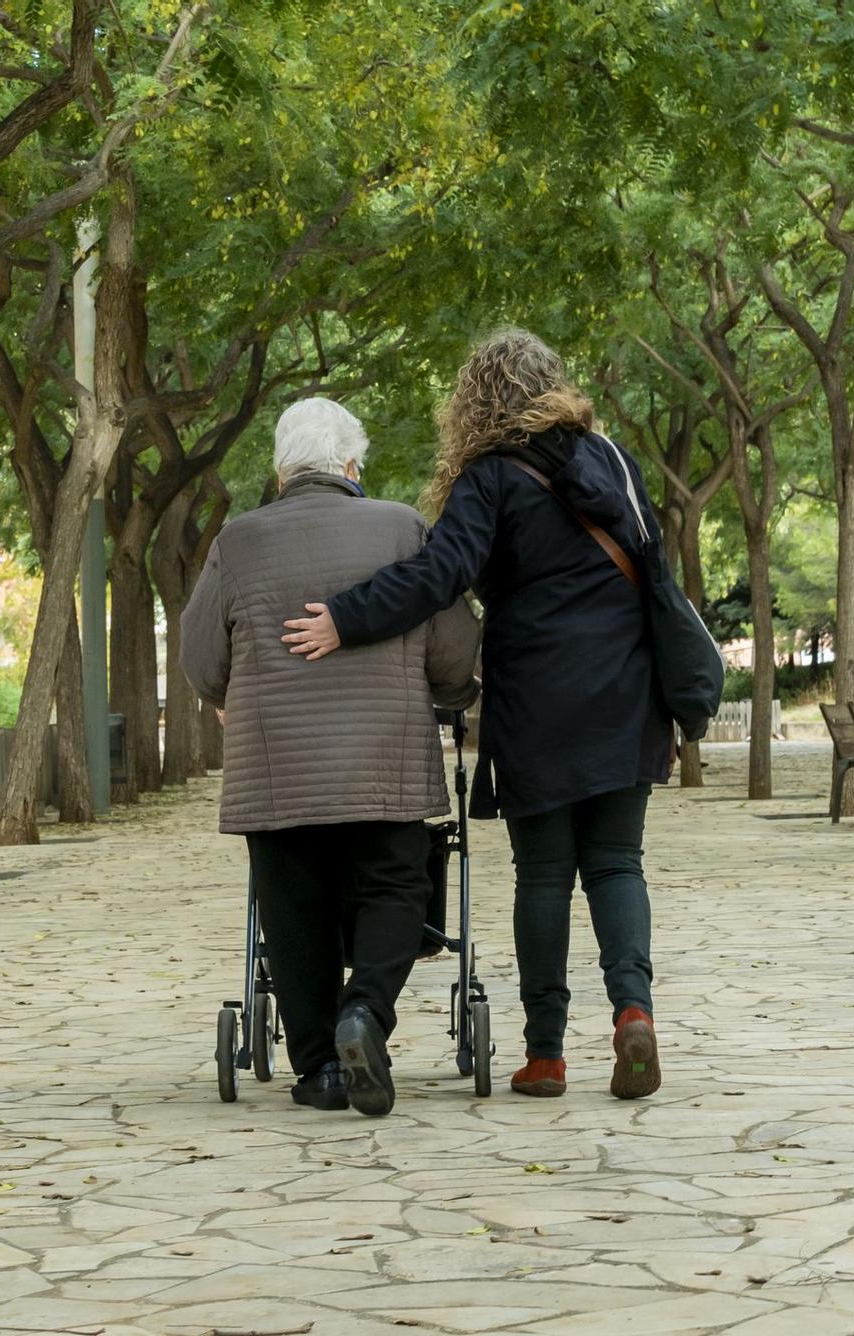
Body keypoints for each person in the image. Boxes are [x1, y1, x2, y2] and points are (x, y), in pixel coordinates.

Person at [281, 329, 671, 1102]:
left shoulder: (490, 478)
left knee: (546, 873)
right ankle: (634, 1012)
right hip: (630, 694)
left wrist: (346, 618)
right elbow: (656, 564)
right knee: (618, 864)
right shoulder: (616, 462)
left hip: (537, 702)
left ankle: (546, 1055)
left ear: (477, 400)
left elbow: (438, 576)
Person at [181, 398, 479, 1118]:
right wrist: (447, 689)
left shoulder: (237, 541)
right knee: (395, 887)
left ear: (282, 471)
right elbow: (454, 652)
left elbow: (200, 660)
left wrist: (232, 693)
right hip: (387, 758)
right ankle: (366, 1016)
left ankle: (318, 1069)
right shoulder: (403, 527)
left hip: (276, 765)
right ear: (352, 467)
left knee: (292, 907)